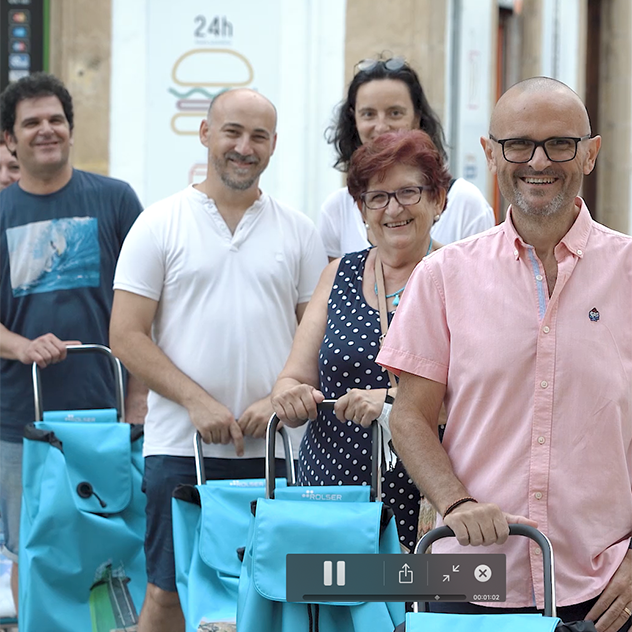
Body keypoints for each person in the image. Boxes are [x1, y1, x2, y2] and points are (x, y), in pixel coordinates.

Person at [378, 76, 632, 631]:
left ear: (590, 152)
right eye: (518, 144)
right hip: (469, 575)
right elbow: (410, 417)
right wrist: (457, 504)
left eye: (560, 143)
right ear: (491, 154)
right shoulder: (444, 275)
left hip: (603, 583)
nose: (538, 161)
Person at [109, 87, 327, 632]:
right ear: (206, 134)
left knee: (273, 594)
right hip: (179, 447)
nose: (243, 147)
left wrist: (276, 398)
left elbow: (319, 336)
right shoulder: (159, 223)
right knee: (167, 593)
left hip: (278, 450)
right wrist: (196, 402)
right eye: (232, 131)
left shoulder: (299, 231)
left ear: (274, 146)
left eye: (258, 136)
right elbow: (126, 336)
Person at [0, 72, 145, 612]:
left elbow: (152, 305)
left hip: (110, 420)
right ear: (10, 140)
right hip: (22, 423)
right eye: (30, 122)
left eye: (55, 119)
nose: (46, 130)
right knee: (32, 549)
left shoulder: (115, 200)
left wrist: (139, 399)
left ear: (70, 128)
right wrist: (21, 346)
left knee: (114, 551)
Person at [271, 129, 451, 553]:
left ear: (437, 199)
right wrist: (291, 397)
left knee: (412, 616)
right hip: (331, 500)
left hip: (424, 503)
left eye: (409, 192)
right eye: (378, 197)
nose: (394, 209)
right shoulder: (338, 275)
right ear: (361, 209)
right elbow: (292, 376)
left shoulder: (461, 276)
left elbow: (487, 399)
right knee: (331, 617)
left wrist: (394, 404)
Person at [319, 56, 494, 260]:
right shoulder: (336, 210)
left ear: (417, 117)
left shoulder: (465, 204)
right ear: (354, 121)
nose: (381, 127)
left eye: (395, 113)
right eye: (368, 114)